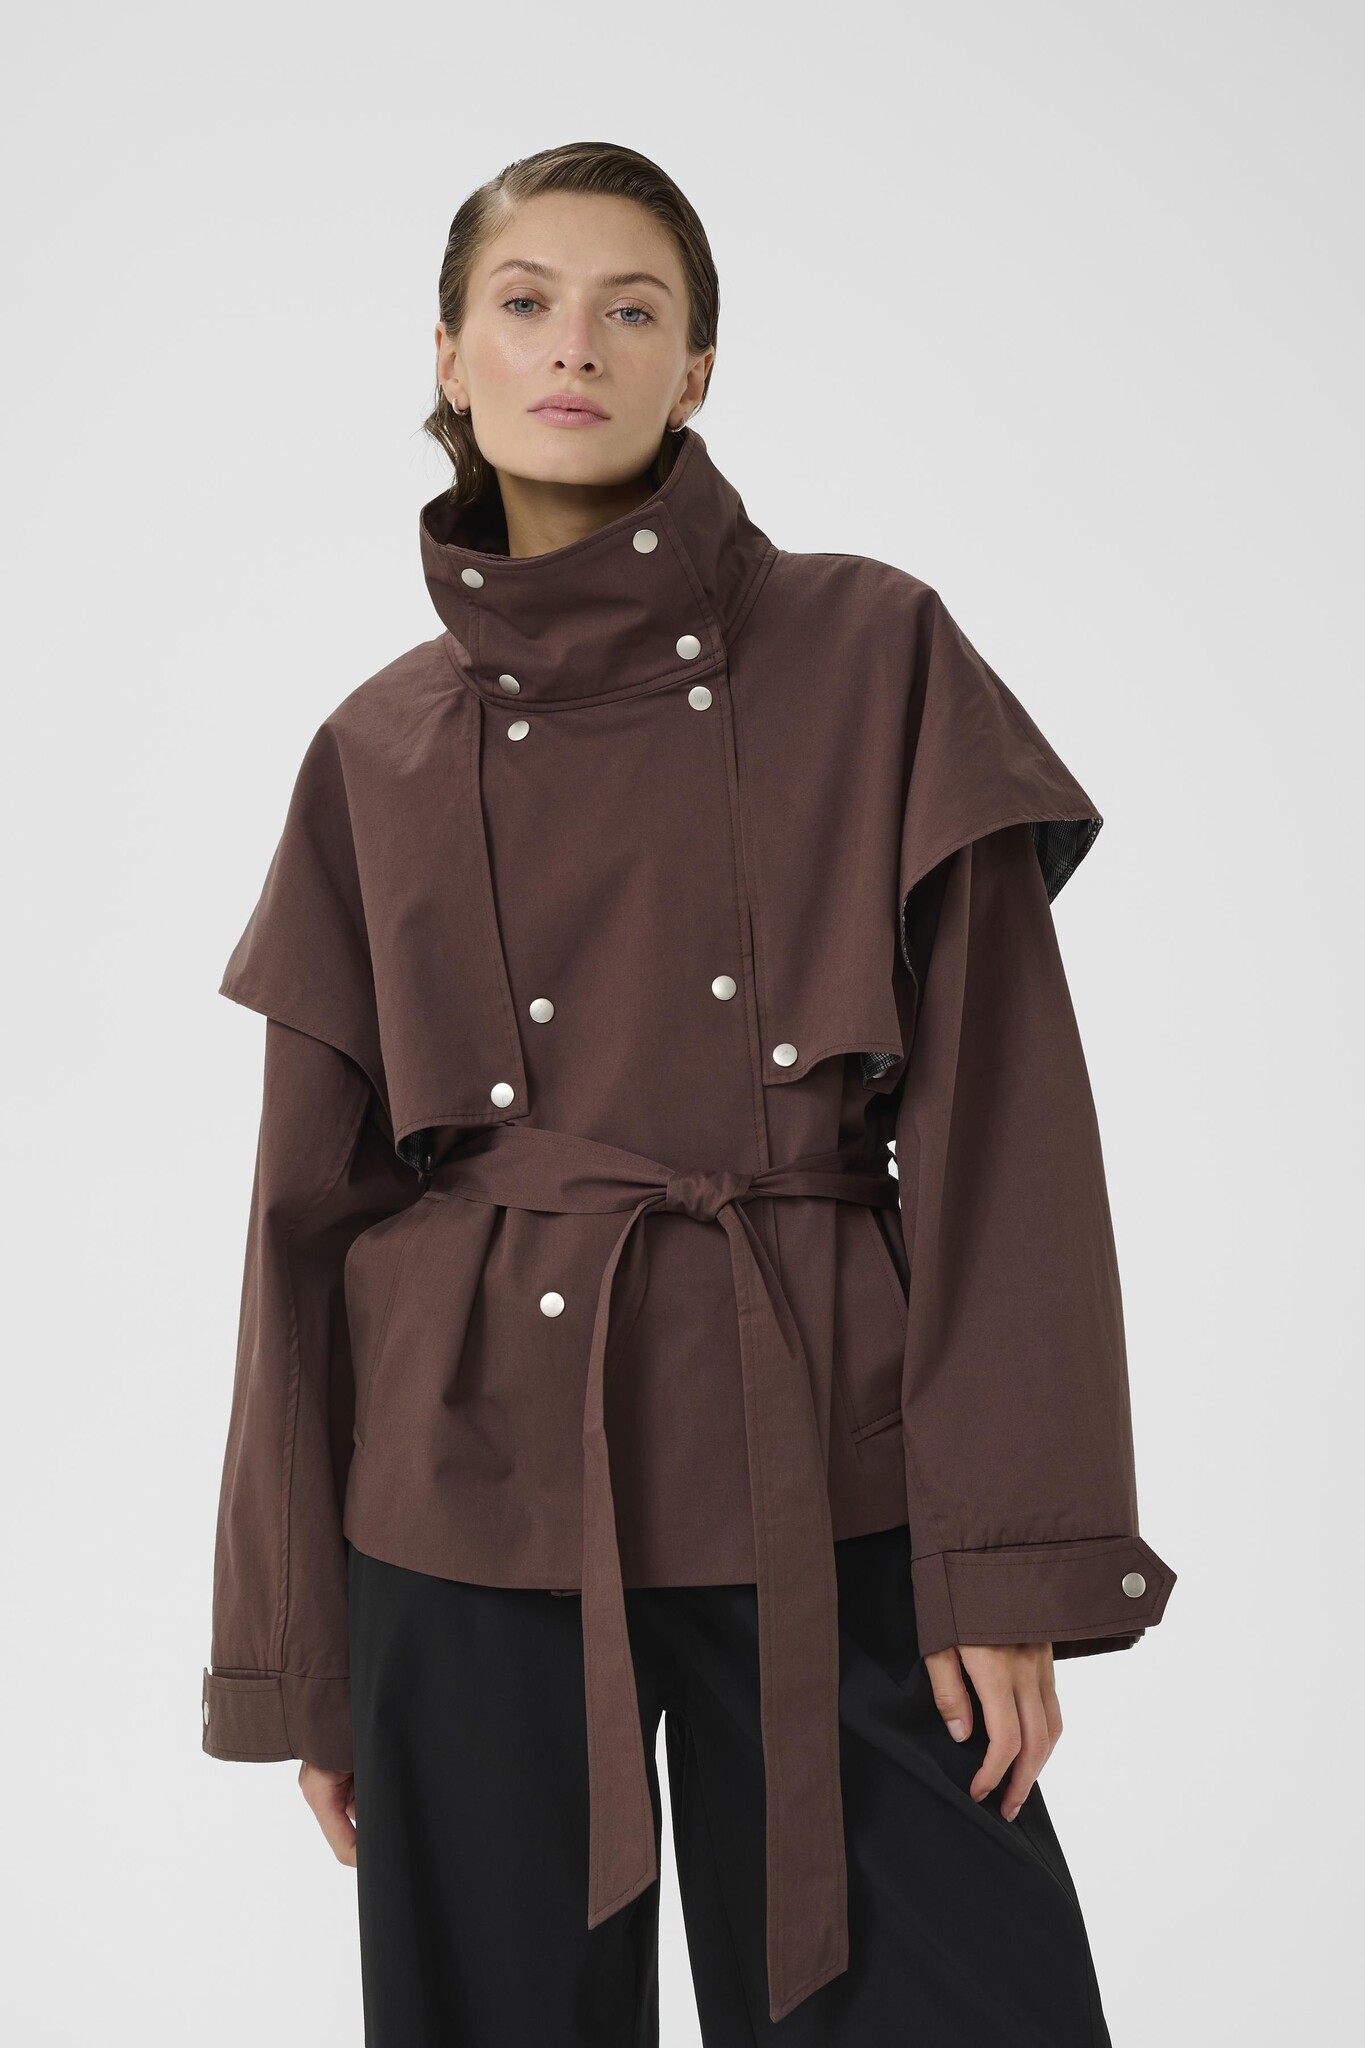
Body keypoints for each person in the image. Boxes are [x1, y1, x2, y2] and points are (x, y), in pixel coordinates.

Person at [200, 139, 1177, 2045]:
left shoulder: (873, 648)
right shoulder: (373, 749)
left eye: (630, 309)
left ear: (695, 369)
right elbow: (299, 1226)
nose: (576, 344)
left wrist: (1006, 1561)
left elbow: (1005, 1133)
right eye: (526, 302)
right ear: (450, 357)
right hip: (462, 1497)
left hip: (823, 1452)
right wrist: (299, 1654)